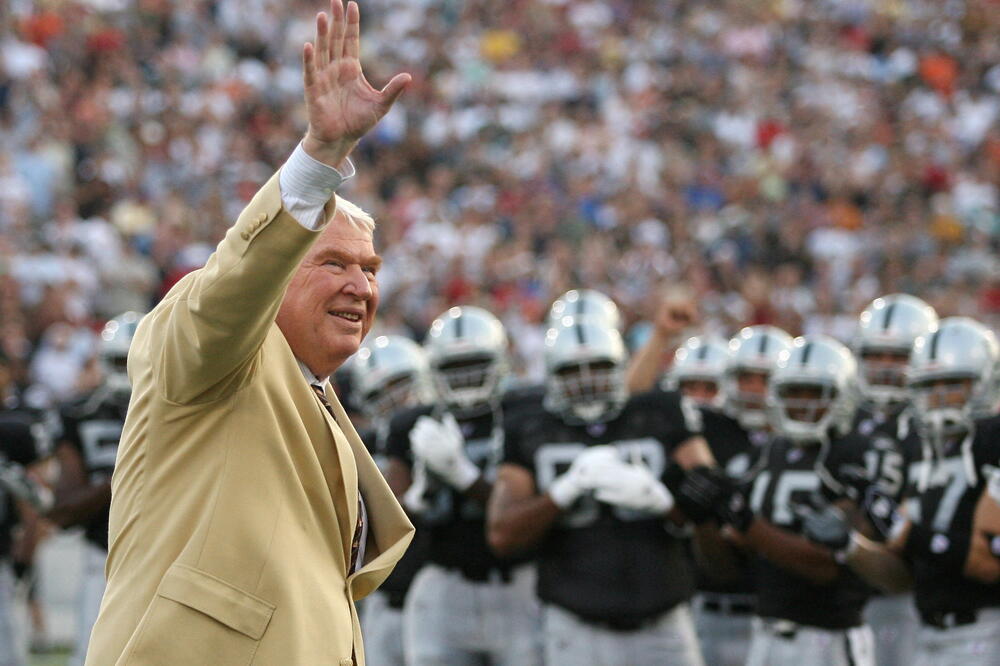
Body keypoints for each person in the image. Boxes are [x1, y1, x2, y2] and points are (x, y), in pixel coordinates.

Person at [84, 3, 414, 665]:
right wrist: (319, 159)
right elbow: (231, 291)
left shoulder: (317, 395)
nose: (361, 286)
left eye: (371, 270)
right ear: (278, 270)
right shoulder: (209, 350)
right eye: (335, 264)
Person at [487, 317, 713, 666]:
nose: (587, 380)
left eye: (599, 367)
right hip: (577, 624)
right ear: (551, 377)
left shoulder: (657, 412)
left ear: (622, 367)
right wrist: (563, 492)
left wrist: (664, 502)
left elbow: (711, 498)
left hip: (664, 620)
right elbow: (502, 534)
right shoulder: (529, 424)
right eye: (572, 370)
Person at [682, 336, 878, 666]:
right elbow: (725, 569)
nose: (802, 403)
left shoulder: (855, 456)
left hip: (828, 636)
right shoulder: (766, 454)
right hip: (765, 634)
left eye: (815, 393)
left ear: (842, 395)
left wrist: (748, 524)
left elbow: (826, 567)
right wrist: (703, 521)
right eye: (793, 392)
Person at [384, 306, 544, 666]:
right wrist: (420, 496)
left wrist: (463, 476)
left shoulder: (526, 412)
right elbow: (391, 519)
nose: (466, 375)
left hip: (517, 581)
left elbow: (525, 511)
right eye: (453, 366)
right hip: (444, 580)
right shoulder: (411, 423)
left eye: (476, 363)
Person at [842, 317, 1000, 666]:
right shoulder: (917, 447)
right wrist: (849, 545)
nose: (939, 397)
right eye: (929, 385)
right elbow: (902, 579)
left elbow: (989, 565)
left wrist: (908, 532)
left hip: (987, 631)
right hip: (926, 634)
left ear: (986, 382)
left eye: (953, 383)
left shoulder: (993, 440)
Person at [48, 312, 141, 666]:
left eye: (136, 359)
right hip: (103, 558)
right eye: (121, 361)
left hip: (167, 555)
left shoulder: (188, 409)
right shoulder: (80, 413)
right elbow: (63, 511)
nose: (129, 371)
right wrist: (124, 477)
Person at [849, 293, 938, 666]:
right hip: (846, 592)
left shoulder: (937, 427)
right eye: (876, 355)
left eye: (898, 356)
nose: (885, 366)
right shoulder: (845, 417)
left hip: (912, 595)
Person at [350, 335, 433, 666]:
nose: (393, 399)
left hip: (438, 593)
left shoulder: (449, 430)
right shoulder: (362, 448)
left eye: (399, 384)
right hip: (386, 598)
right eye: (378, 394)